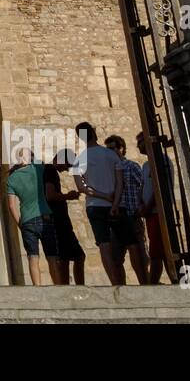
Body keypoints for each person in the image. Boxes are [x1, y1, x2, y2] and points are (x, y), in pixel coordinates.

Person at [70, 121, 127, 285]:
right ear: (94, 134)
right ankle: (130, 281)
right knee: (125, 244)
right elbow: (120, 183)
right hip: (116, 206)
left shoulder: (79, 159)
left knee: (104, 245)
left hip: (95, 205)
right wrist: (114, 203)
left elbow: (82, 188)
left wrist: (102, 196)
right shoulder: (112, 155)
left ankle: (115, 283)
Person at [4, 149, 58, 285]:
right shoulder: (38, 169)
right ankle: (58, 286)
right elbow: (48, 165)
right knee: (52, 257)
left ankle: (37, 289)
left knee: (32, 258)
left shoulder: (11, 179)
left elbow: (11, 206)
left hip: (27, 221)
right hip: (44, 216)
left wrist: (20, 224)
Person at [104, 134, 149, 285]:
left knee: (139, 255)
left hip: (132, 214)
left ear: (121, 148)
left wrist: (140, 207)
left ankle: (145, 285)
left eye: (112, 148)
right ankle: (121, 289)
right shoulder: (110, 171)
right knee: (116, 256)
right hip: (117, 218)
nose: (110, 152)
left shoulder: (132, 166)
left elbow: (142, 186)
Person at [45, 148, 86, 285]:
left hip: (59, 221)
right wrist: (69, 196)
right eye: (68, 165)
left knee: (70, 257)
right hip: (57, 222)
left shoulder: (49, 171)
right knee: (72, 257)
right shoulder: (50, 171)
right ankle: (71, 287)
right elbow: (50, 195)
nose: (67, 169)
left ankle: (70, 287)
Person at [137, 131, 172, 284]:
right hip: (150, 213)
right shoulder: (146, 165)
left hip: (160, 212)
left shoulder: (160, 160)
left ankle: (158, 282)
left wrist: (148, 206)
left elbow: (160, 187)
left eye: (140, 142)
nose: (138, 146)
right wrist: (141, 204)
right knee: (158, 250)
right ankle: (157, 282)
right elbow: (143, 187)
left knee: (161, 251)